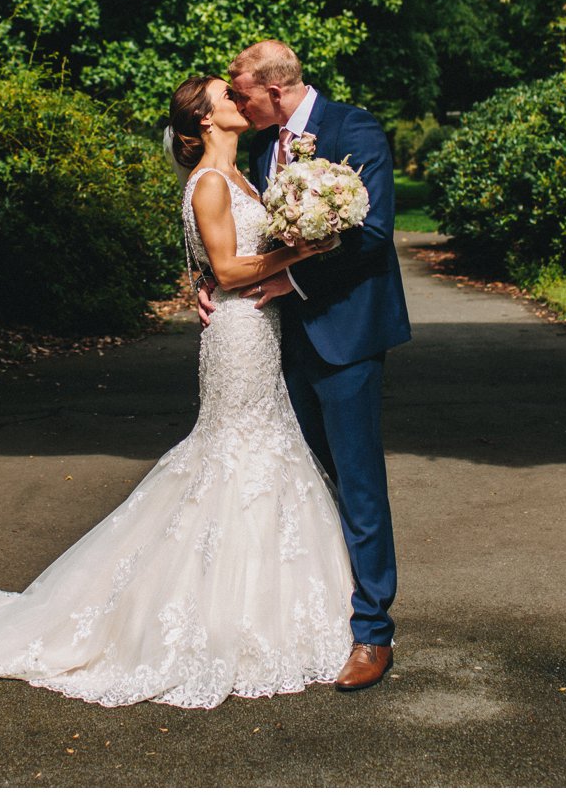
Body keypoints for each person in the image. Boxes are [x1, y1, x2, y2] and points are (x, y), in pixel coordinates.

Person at [0, 75, 355, 708]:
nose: (238, 100)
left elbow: (206, 264)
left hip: (257, 326)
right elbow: (227, 269)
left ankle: (268, 608)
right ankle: (211, 619)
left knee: (260, 446)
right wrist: (302, 249)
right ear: (204, 122)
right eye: (225, 95)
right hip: (239, 333)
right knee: (236, 452)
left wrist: (241, 263)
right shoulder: (214, 182)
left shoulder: (239, 177)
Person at [199, 39, 411, 692]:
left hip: (346, 335)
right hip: (278, 345)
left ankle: (373, 632)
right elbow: (254, 236)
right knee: (306, 485)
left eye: (242, 92)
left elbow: (371, 234)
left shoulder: (354, 127)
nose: (237, 102)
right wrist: (206, 278)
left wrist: (296, 285)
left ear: (277, 87)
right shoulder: (262, 149)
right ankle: (320, 613)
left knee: (357, 484)